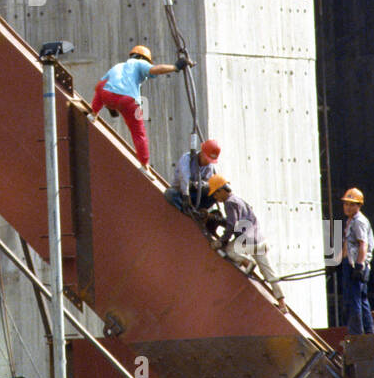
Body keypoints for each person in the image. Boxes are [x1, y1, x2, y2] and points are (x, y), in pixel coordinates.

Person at [89, 44, 191, 166]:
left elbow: (98, 87)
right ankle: (144, 164)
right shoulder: (139, 63)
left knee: (102, 86)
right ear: (143, 58)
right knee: (138, 133)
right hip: (128, 101)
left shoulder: (117, 66)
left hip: (107, 96)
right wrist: (176, 67)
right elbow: (154, 70)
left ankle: (93, 114)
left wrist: (109, 104)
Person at [204, 173, 286, 313]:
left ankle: (247, 263)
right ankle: (282, 303)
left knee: (229, 251)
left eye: (215, 194)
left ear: (221, 190)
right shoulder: (239, 200)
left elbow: (231, 225)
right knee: (269, 273)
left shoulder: (229, 203)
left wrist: (221, 241)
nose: (216, 198)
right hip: (259, 239)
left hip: (246, 240)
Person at [340, 188, 374, 334]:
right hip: (350, 263)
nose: (347, 207)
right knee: (361, 300)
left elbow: (363, 244)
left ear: (359, 206)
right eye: (346, 204)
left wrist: (360, 266)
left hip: (356, 265)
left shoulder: (359, 221)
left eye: (351, 204)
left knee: (354, 300)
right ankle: (369, 332)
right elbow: (348, 245)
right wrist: (339, 261)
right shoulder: (350, 221)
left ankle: (357, 335)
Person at [164, 138, 221, 215]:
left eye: (210, 160)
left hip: (195, 195)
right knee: (170, 193)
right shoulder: (187, 159)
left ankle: (197, 212)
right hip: (181, 193)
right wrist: (186, 196)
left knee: (215, 193)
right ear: (202, 153)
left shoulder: (209, 166)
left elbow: (208, 183)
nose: (208, 162)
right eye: (207, 159)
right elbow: (184, 178)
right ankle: (186, 210)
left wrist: (199, 185)